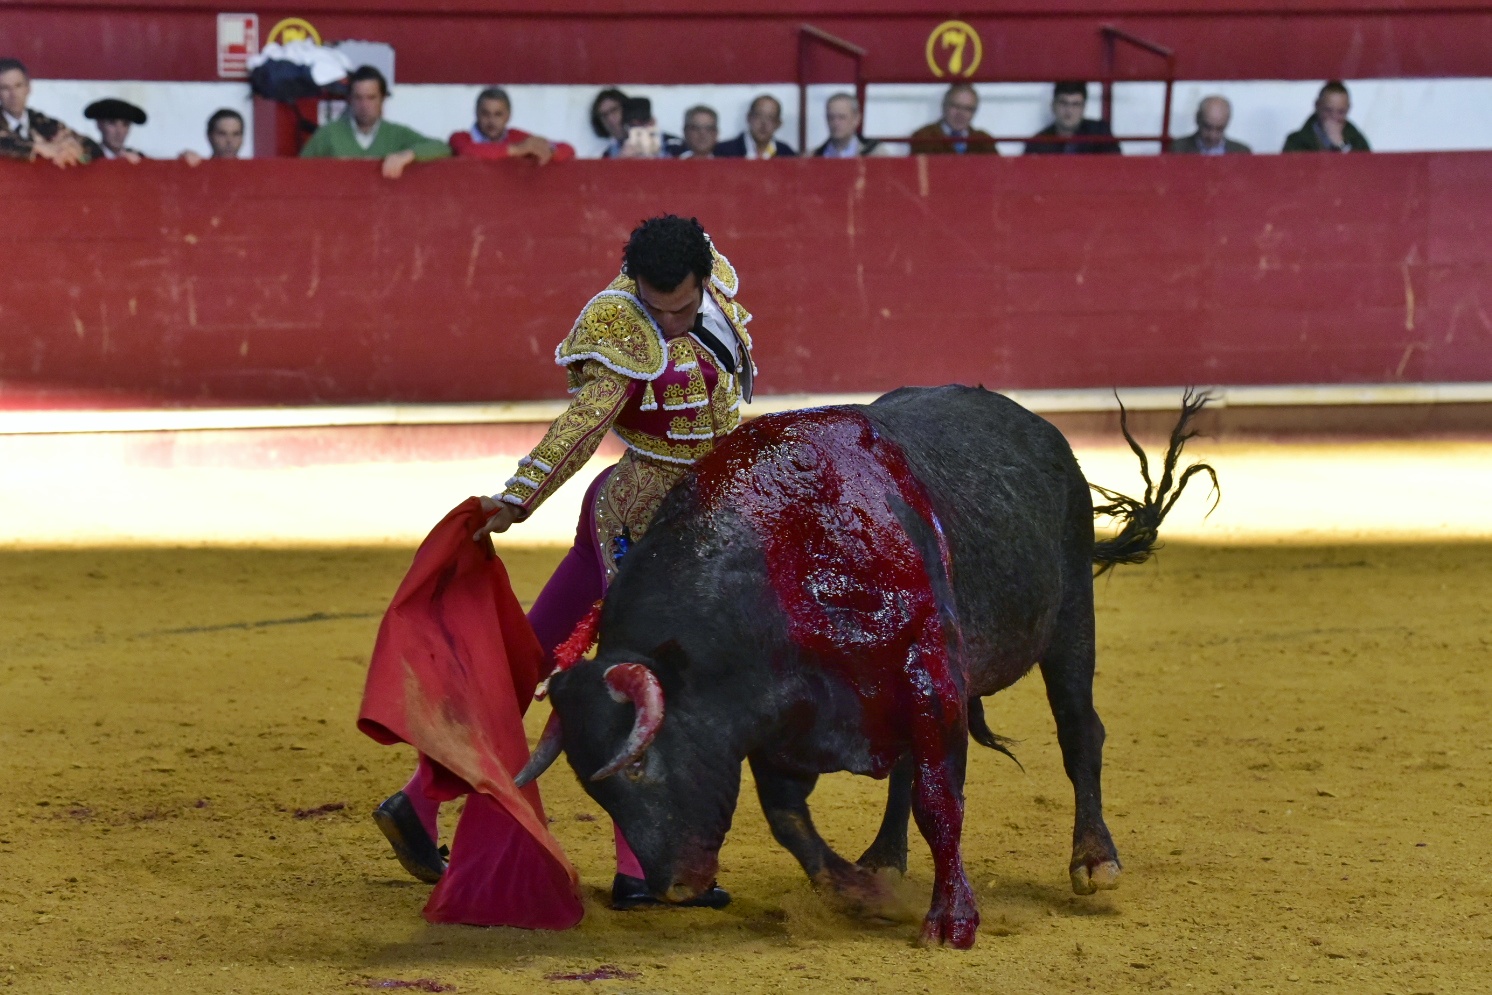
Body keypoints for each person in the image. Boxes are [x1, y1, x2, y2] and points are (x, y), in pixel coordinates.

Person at [375, 215, 753, 911]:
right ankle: (642, 869)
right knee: (644, 681)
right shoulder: (619, 325)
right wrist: (518, 497)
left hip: (696, 515)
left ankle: (419, 799)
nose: (668, 321)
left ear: (705, 278)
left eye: (681, 306)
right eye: (655, 306)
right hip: (637, 521)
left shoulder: (719, 289)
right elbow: (582, 426)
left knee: (527, 659)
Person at [299, 65, 451, 178]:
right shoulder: (329, 134)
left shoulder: (396, 134)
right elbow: (298, 172)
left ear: (383, 99)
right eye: (359, 98)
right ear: (350, 99)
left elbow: (442, 148)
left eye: (371, 98)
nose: (364, 105)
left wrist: (407, 155)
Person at [0, 58, 104, 166]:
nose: (13, 95)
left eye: (18, 86)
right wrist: (35, 148)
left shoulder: (43, 123)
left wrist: (78, 151)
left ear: (28, 88)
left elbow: (95, 149)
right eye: (5, 88)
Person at [449, 87, 574, 164]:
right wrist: (518, 149)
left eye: (498, 114)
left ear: (508, 116)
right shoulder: (460, 137)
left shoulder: (517, 137)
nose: (491, 120)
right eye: (485, 114)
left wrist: (549, 151)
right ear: (476, 113)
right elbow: (467, 151)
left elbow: (568, 149)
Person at [1024, 81, 1120, 155]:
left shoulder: (1100, 134)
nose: (1069, 110)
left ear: (1083, 108)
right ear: (1053, 106)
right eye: (1063, 103)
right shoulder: (1038, 143)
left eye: (1075, 104)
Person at [909, 83, 997, 155]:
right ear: (944, 106)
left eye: (968, 109)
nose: (961, 114)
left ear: (974, 112)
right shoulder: (923, 137)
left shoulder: (984, 141)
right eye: (956, 106)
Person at [1283, 81, 1370, 153]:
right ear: (1317, 105)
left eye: (1340, 112)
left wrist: (1341, 145)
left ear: (1348, 109)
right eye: (1328, 110)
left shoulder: (1358, 142)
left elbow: (1365, 170)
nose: (1334, 117)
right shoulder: (1296, 142)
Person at [714, 94, 796, 158]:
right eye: (759, 116)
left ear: (778, 124)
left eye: (770, 118)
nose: (763, 123)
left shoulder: (787, 154)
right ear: (748, 118)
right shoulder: (724, 152)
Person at [1170, 96, 1251, 155]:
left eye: (1219, 129)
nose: (1212, 136)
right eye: (1207, 127)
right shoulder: (1178, 149)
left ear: (1227, 122)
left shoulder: (1242, 152)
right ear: (1197, 119)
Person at [813, 92, 883, 158]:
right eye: (831, 117)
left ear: (856, 119)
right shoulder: (812, 157)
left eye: (842, 117)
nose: (836, 123)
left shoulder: (876, 154)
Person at [85, 98, 147, 162]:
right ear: (99, 124)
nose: (119, 131)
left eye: (125, 124)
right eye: (112, 123)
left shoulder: (138, 158)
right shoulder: (88, 157)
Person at [181, 108, 245, 165]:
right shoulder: (199, 170)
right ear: (209, 136)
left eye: (236, 134)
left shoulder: (253, 172)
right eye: (222, 134)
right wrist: (182, 165)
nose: (229, 140)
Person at [591, 87, 628, 158]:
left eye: (614, 110)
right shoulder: (606, 155)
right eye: (604, 115)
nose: (610, 119)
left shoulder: (652, 141)